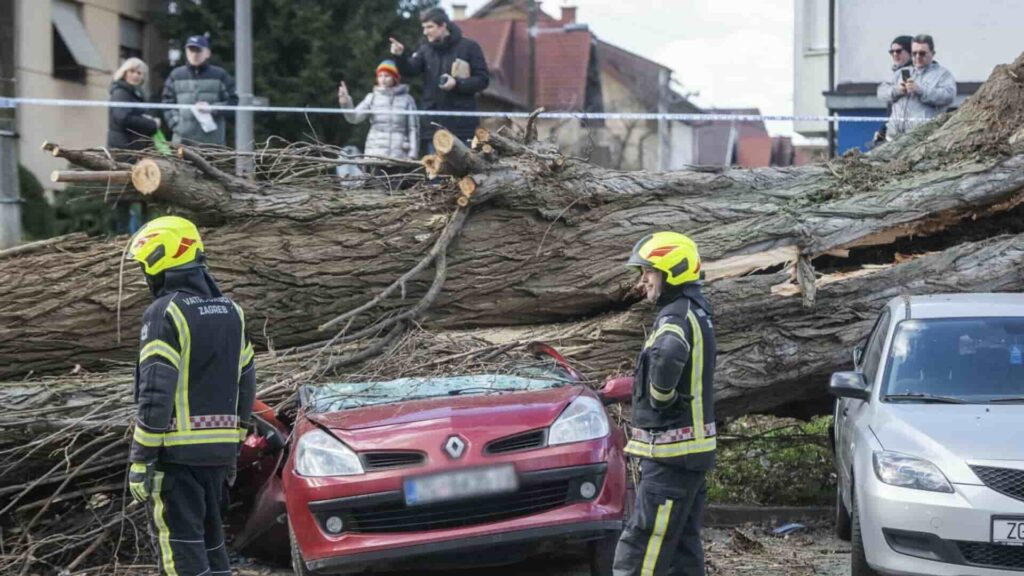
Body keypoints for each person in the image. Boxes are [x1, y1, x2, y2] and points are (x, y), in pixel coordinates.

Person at [125, 215, 256, 576]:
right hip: (216, 459)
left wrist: (141, 459)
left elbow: (155, 392)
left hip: (175, 460)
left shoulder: (164, 313)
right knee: (213, 552)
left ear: (160, 261)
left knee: (181, 557)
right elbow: (246, 383)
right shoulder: (232, 312)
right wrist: (234, 444)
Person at [612, 232, 716, 576]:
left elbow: (668, 353)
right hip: (689, 457)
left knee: (643, 546)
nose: (644, 281)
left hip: (671, 457)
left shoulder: (675, 318)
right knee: (681, 550)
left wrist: (660, 397)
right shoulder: (695, 311)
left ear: (672, 272)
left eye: (649, 272)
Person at [389, 8, 489, 152]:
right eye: (423, 27)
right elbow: (409, 71)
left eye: (430, 27)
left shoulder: (469, 47)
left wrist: (457, 84)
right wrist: (400, 56)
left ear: (443, 26)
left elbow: (483, 80)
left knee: (466, 172)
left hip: (463, 126)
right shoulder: (425, 50)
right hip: (434, 126)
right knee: (437, 171)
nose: (425, 32)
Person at [161, 35, 238, 146]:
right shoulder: (175, 75)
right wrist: (176, 125)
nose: (194, 54)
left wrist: (212, 108)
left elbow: (233, 102)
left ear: (207, 53)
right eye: (191, 50)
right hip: (182, 141)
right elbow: (167, 103)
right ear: (186, 52)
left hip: (213, 142)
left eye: (198, 50)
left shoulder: (220, 75)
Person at [337, 60, 420, 160]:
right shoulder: (372, 97)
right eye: (380, 76)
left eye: (387, 76)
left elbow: (413, 128)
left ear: (395, 78)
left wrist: (413, 153)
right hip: (375, 154)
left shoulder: (407, 99)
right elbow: (354, 118)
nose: (383, 79)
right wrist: (346, 102)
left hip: (400, 155)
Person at [879, 34, 956, 141]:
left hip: (922, 140)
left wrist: (921, 91)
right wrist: (897, 90)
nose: (918, 56)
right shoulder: (901, 72)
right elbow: (881, 93)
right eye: (914, 53)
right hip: (893, 138)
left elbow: (948, 96)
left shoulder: (942, 74)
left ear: (932, 54)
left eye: (922, 53)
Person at [108, 57, 160, 152]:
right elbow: (123, 118)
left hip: (133, 147)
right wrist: (151, 123)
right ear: (124, 73)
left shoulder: (137, 94)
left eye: (139, 73)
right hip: (123, 148)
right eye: (132, 71)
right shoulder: (121, 93)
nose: (135, 75)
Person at [873, 35, 912, 146]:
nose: (895, 54)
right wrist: (896, 90)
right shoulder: (895, 72)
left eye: (899, 51)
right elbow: (881, 93)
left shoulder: (911, 72)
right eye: (892, 52)